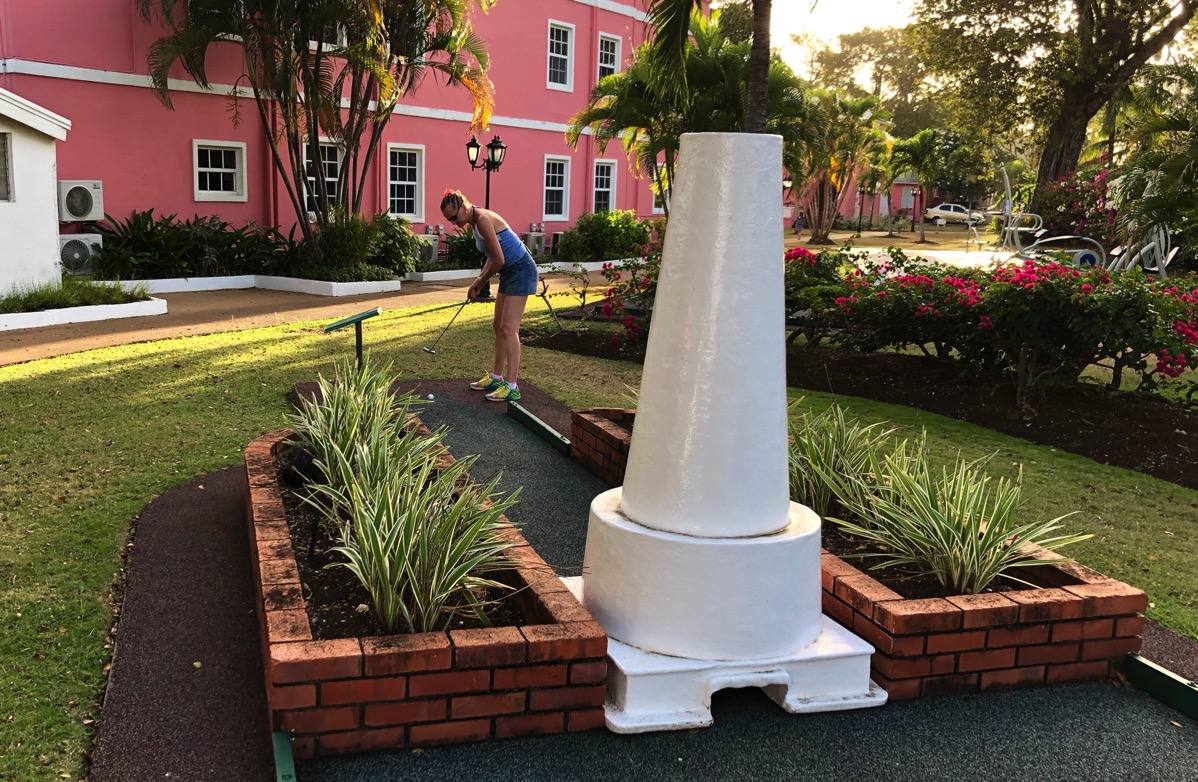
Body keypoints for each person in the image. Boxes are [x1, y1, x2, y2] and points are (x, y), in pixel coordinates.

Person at [440, 189, 539, 402]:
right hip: (509, 271)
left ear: (464, 207)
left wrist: (481, 281)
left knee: (508, 328)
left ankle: (512, 386)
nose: (454, 223)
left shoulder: (483, 219)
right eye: (449, 220)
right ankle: (496, 377)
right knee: (497, 326)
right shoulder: (474, 222)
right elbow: (492, 256)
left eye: (454, 217)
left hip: (521, 270)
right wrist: (479, 280)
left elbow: (500, 259)